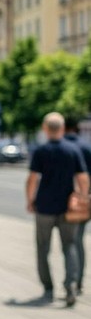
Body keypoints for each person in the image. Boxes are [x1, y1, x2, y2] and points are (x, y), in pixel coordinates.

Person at [27, 112, 90, 306]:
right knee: (69, 246)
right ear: (62, 129)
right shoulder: (73, 150)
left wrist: (30, 200)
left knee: (42, 249)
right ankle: (70, 286)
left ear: (45, 129)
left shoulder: (41, 151)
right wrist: (82, 197)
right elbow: (83, 178)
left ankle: (48, 289)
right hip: (67, 208)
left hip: (44, 207)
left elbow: (32, 179)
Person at [64, 116, 91, 295]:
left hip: (65, 202)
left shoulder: (64, 146)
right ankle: (78, 280)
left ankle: (71, 280)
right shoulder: (87, 147)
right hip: (84, 201)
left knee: (69, 241)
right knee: (78, 240)